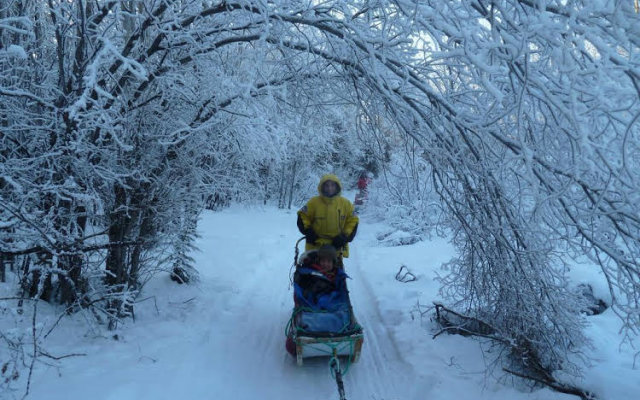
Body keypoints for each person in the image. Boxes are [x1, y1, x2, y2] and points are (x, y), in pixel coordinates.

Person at [297, 174, 359, 261]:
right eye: (327, 185)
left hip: (336, 247)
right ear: (322, 187)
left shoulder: (346, 204)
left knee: (335, 273)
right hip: (315, 246)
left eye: (332, 185)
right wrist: (308, 231)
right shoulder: (314, 202)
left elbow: (353, 220)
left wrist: (344, 236)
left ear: (337, 186)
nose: (330, 188)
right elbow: (303, 215)